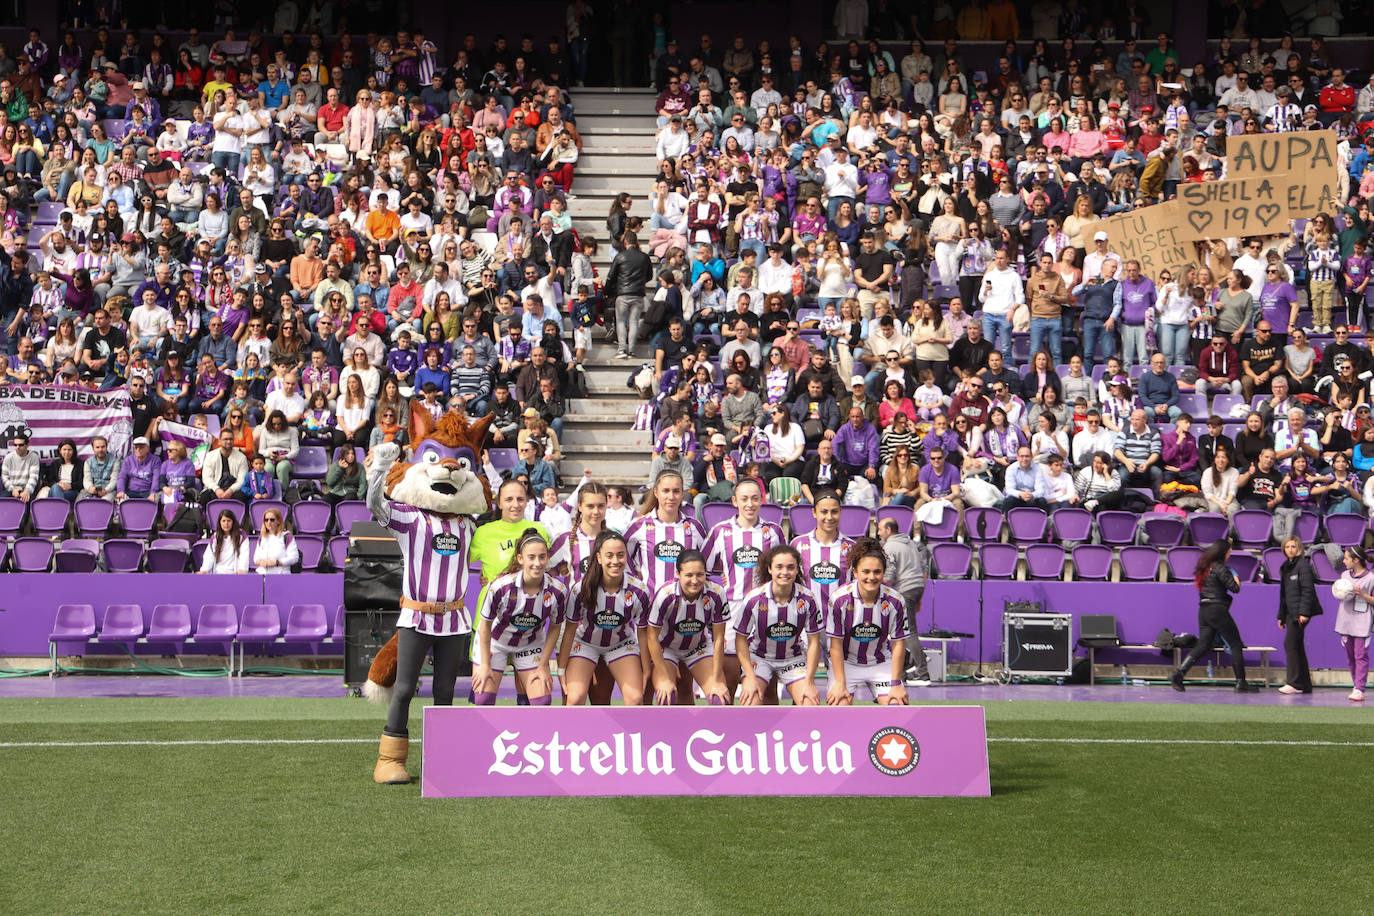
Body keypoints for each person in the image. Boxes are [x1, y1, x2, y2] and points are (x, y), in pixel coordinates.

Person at [703, 477, 785, 695]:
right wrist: (721, 589)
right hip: (732, 610)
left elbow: (785, 569)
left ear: (762, 500)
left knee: (767, 686)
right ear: (734, 501)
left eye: (755, 498)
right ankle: (729, 728)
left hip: (766, 609)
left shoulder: (774, 531)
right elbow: (705, 570)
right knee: (729, 679)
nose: (750, 504)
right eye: (745, 499)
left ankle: (765, 729)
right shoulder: (720, 531)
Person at [472, 529, 566, 706]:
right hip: (495, 643)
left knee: (542, 701)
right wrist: (484, 665)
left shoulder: (558, 591)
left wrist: (543, 665)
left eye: (542, 557)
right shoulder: (500, 587)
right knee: (483, 699)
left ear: (547, 558)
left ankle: (531, 734)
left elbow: (555, 628)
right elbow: (484, 627)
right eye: (531, 557)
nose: (537, 563)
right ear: (520, 559)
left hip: (530, 644)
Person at [558, 530, 649, 705]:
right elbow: (569, 631)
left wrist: (646, 670)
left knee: (636, 698)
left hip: (621, 645)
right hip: (585, 644)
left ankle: (631, 733)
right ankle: (573, 732)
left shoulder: (639, 590)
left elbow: (643, 633)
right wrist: (561, 669)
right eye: (609, 555)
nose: (615, 561)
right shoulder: (580, 589)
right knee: (575, 698)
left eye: (620, 555)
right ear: (599, 558)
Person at [733, 544, 823, 706]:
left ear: (797, 570)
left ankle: (795, 731)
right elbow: (740, 639)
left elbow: (814, 642)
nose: (785, 572)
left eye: (790, 567)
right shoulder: (753, 598)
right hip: (760, 658)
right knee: (750, 701)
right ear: (770, 569)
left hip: (792, 659)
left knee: (810, 703)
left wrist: (809, 681)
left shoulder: (808, 599)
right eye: (779, 567)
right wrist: (750, 676)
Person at [641, 550, 732, 705]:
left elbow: (718, 639)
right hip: (667, 649)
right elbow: (651, 637)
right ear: (678, 573)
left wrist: (717, 680)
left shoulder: (716, 593)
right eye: (689, 575)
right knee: (667, 697)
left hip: (698, 647)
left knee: (720, 700)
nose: (695, 580)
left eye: (700, 574)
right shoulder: (665, 595)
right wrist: (663, 677)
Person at [825, 538, 910, 705]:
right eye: (866, 571)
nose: (871, 577)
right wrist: (840, 683)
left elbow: (898, 644)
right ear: (855, 572)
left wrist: (896, 683)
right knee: (838, 706)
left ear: (883, 572)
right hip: (846, 663)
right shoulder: (839, 599)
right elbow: (835, 646)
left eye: (877, 572)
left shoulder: (896, 600)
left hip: (880, 662)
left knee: (897, 706)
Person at [1170, 540, 1259, 692]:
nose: (1229, 555)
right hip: (1217, 609)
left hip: (1203, 610)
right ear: (1223, 553)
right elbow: (1235, 588)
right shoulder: (1220, 568)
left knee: (1203, 645)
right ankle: (1241, 682)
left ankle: (1179, 674)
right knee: (1236, 644)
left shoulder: (1204, 568)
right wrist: (1235, 577)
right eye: (1229, 552)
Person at [1275, 535, 1319, 696]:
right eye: (1287, 547)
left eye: (1293, 546)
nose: (1290, 550)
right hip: (1289, 613)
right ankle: (1305, 685)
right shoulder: (1285, 566)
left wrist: (1304, 613)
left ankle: (1293, 682)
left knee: (1290, 644)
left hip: (1300, 613)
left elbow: (1308, 591)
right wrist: (1281, 616)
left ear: (1299, 548)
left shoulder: (1303, 565)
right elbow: (1283, 595)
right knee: (1297, 646)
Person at [1335, 546, 1374, 703]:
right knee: (1350, 657)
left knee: (1360, 655)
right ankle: (1355, 685)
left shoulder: (1371, 578)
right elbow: (1340, 594)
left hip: (1362, 622)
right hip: (1345, 622)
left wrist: (1363, 594)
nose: (1344, 561)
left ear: (1356, 560)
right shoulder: (1344, 575)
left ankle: (1359, 688)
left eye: (1346, 558)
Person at [253, 507, 300, 574]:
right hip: (262, 574)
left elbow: (294, 558)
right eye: (266, 520)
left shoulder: (287, 536)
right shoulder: (262, 537)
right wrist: (261, 562)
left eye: (272, 520)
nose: (269, 522)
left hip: (280, 575)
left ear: (278, 521)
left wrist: (276, 562)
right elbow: (256, 558)